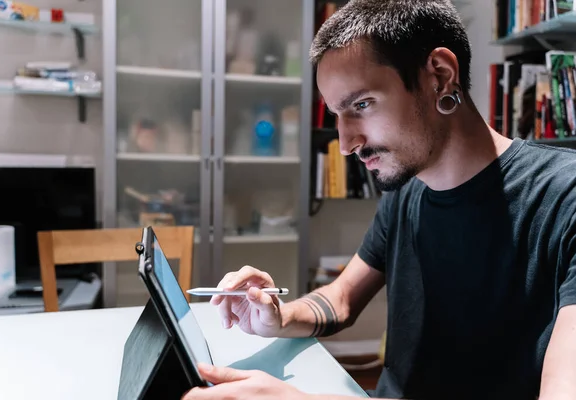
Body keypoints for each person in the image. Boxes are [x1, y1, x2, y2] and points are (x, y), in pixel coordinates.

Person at [182, 0, 576, 399]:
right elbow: (340, 300)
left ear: (440, 76)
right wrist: (278, 316)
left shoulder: (565, 197)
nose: (346, 144)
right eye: (338, 114)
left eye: (361, 104)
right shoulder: (408, 188)